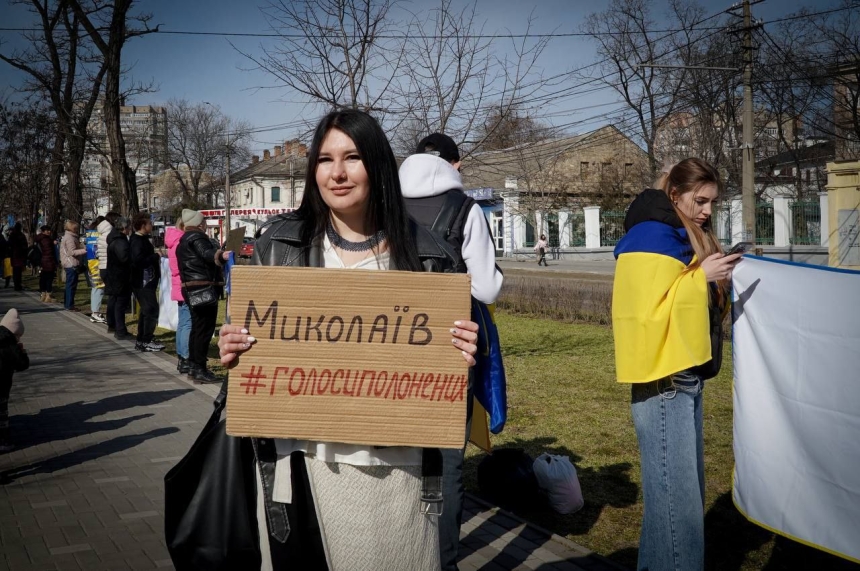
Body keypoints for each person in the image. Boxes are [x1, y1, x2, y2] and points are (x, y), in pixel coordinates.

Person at [217, 109, 480, 571]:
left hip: (396, 473)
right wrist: (233, 348)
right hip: (300, 470)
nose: (336, 173)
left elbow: (449, 392)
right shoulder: (276, 247)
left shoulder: (431, 258)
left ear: (377, 165)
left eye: (352, 157)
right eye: (324, 159)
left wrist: (462, 356)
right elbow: (250, 352)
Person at [611, 158, 741, 571]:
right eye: (699, 201)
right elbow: (642, 311)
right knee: (677, 506)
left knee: (676, 499)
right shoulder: (651, 234)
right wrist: (698, 278)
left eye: (712, 203)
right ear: (674, 196)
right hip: (663, 379)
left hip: (683, 377)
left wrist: (714, 281)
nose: (706, 211)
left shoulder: (681, 234)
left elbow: (682, 297)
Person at [399, 132, 504, 571]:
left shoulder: (383, 203)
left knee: (397, 459)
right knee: (446, 464)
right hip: (448, 350)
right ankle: (443, 561)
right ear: (454, 165)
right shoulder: (466, 209)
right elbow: (487, 287)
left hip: (391, 347)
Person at [176, 209, 229, 383]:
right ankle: (200, 369)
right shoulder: (197, 237)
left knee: (197, 329)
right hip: (202, 289)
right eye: (204, 221)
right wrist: (221, 255)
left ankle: (193, 366)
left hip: (191, 288)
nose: (205, 223)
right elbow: (207, 254)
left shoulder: (183, 239)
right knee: (204, 331)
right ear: (199, 224)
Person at [130, 213, 165, 352]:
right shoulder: (137, 241)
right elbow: (138, 261)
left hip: (147, 281)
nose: (151, 226)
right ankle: (146, 339)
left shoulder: (142, 239)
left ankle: (142, 340)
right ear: (143, 226)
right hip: (142, 281)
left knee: (146, 310)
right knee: (151, 309)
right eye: (149, 223)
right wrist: (156, 256)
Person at [0, 308, 29, 453]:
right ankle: (4, 441)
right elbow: (22, 365)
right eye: (18, 336)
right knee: (2, 415)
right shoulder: (10, 344)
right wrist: (22, 352)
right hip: (2, 385)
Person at [165, 218, 192, 374]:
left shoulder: (173, 240)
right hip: (184, 284)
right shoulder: (180, 241)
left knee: (183, 323)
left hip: (178, 285)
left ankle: (182, 356)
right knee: (187, 323)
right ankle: (186, 357)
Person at [104, 216, 134, 341]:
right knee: (120, 304)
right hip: (120, 277)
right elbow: (124, 259)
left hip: (114, 275)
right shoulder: (120, 241)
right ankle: (120, 330)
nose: (130, 229)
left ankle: (115, 326)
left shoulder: (114, 239)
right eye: (128, 227)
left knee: (116, 302)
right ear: (124, 228)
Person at [60, 220, 88, 311]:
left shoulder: (70, 237)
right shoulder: (70, 238)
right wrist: (84, 250)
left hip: (70, 263)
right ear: (72, 228)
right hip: (71, 263)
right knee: (71, 285)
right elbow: (71, 252)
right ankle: (69, 305)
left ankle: (67, 303)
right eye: (76, 228)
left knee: (70, 285)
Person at [85, 217, 107, 323]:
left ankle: (95, 312)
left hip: (92, 262)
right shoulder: (100, 233)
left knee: (96, 288)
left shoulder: (90, 233)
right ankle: (95, 313)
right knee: (99, 288)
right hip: (98, 262)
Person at [34, 226, 58, 302]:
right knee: (49, 278)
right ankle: (48, 295)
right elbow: (49, 251)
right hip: (48, 261)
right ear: (43, 231)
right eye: (48, 230)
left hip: (42, 261)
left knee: (43, 278)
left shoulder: (39, 238)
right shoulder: (46, 240)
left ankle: (43, 294)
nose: (49, 232)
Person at [7, 224, 27, 291]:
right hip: (20, 256)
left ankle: (16, 285)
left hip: (14, 255)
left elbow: (9, 245)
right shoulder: (21, 235)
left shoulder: (12, 235)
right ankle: (18, 285)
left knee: (15, 271)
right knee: (19, 272)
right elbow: (25, 246)